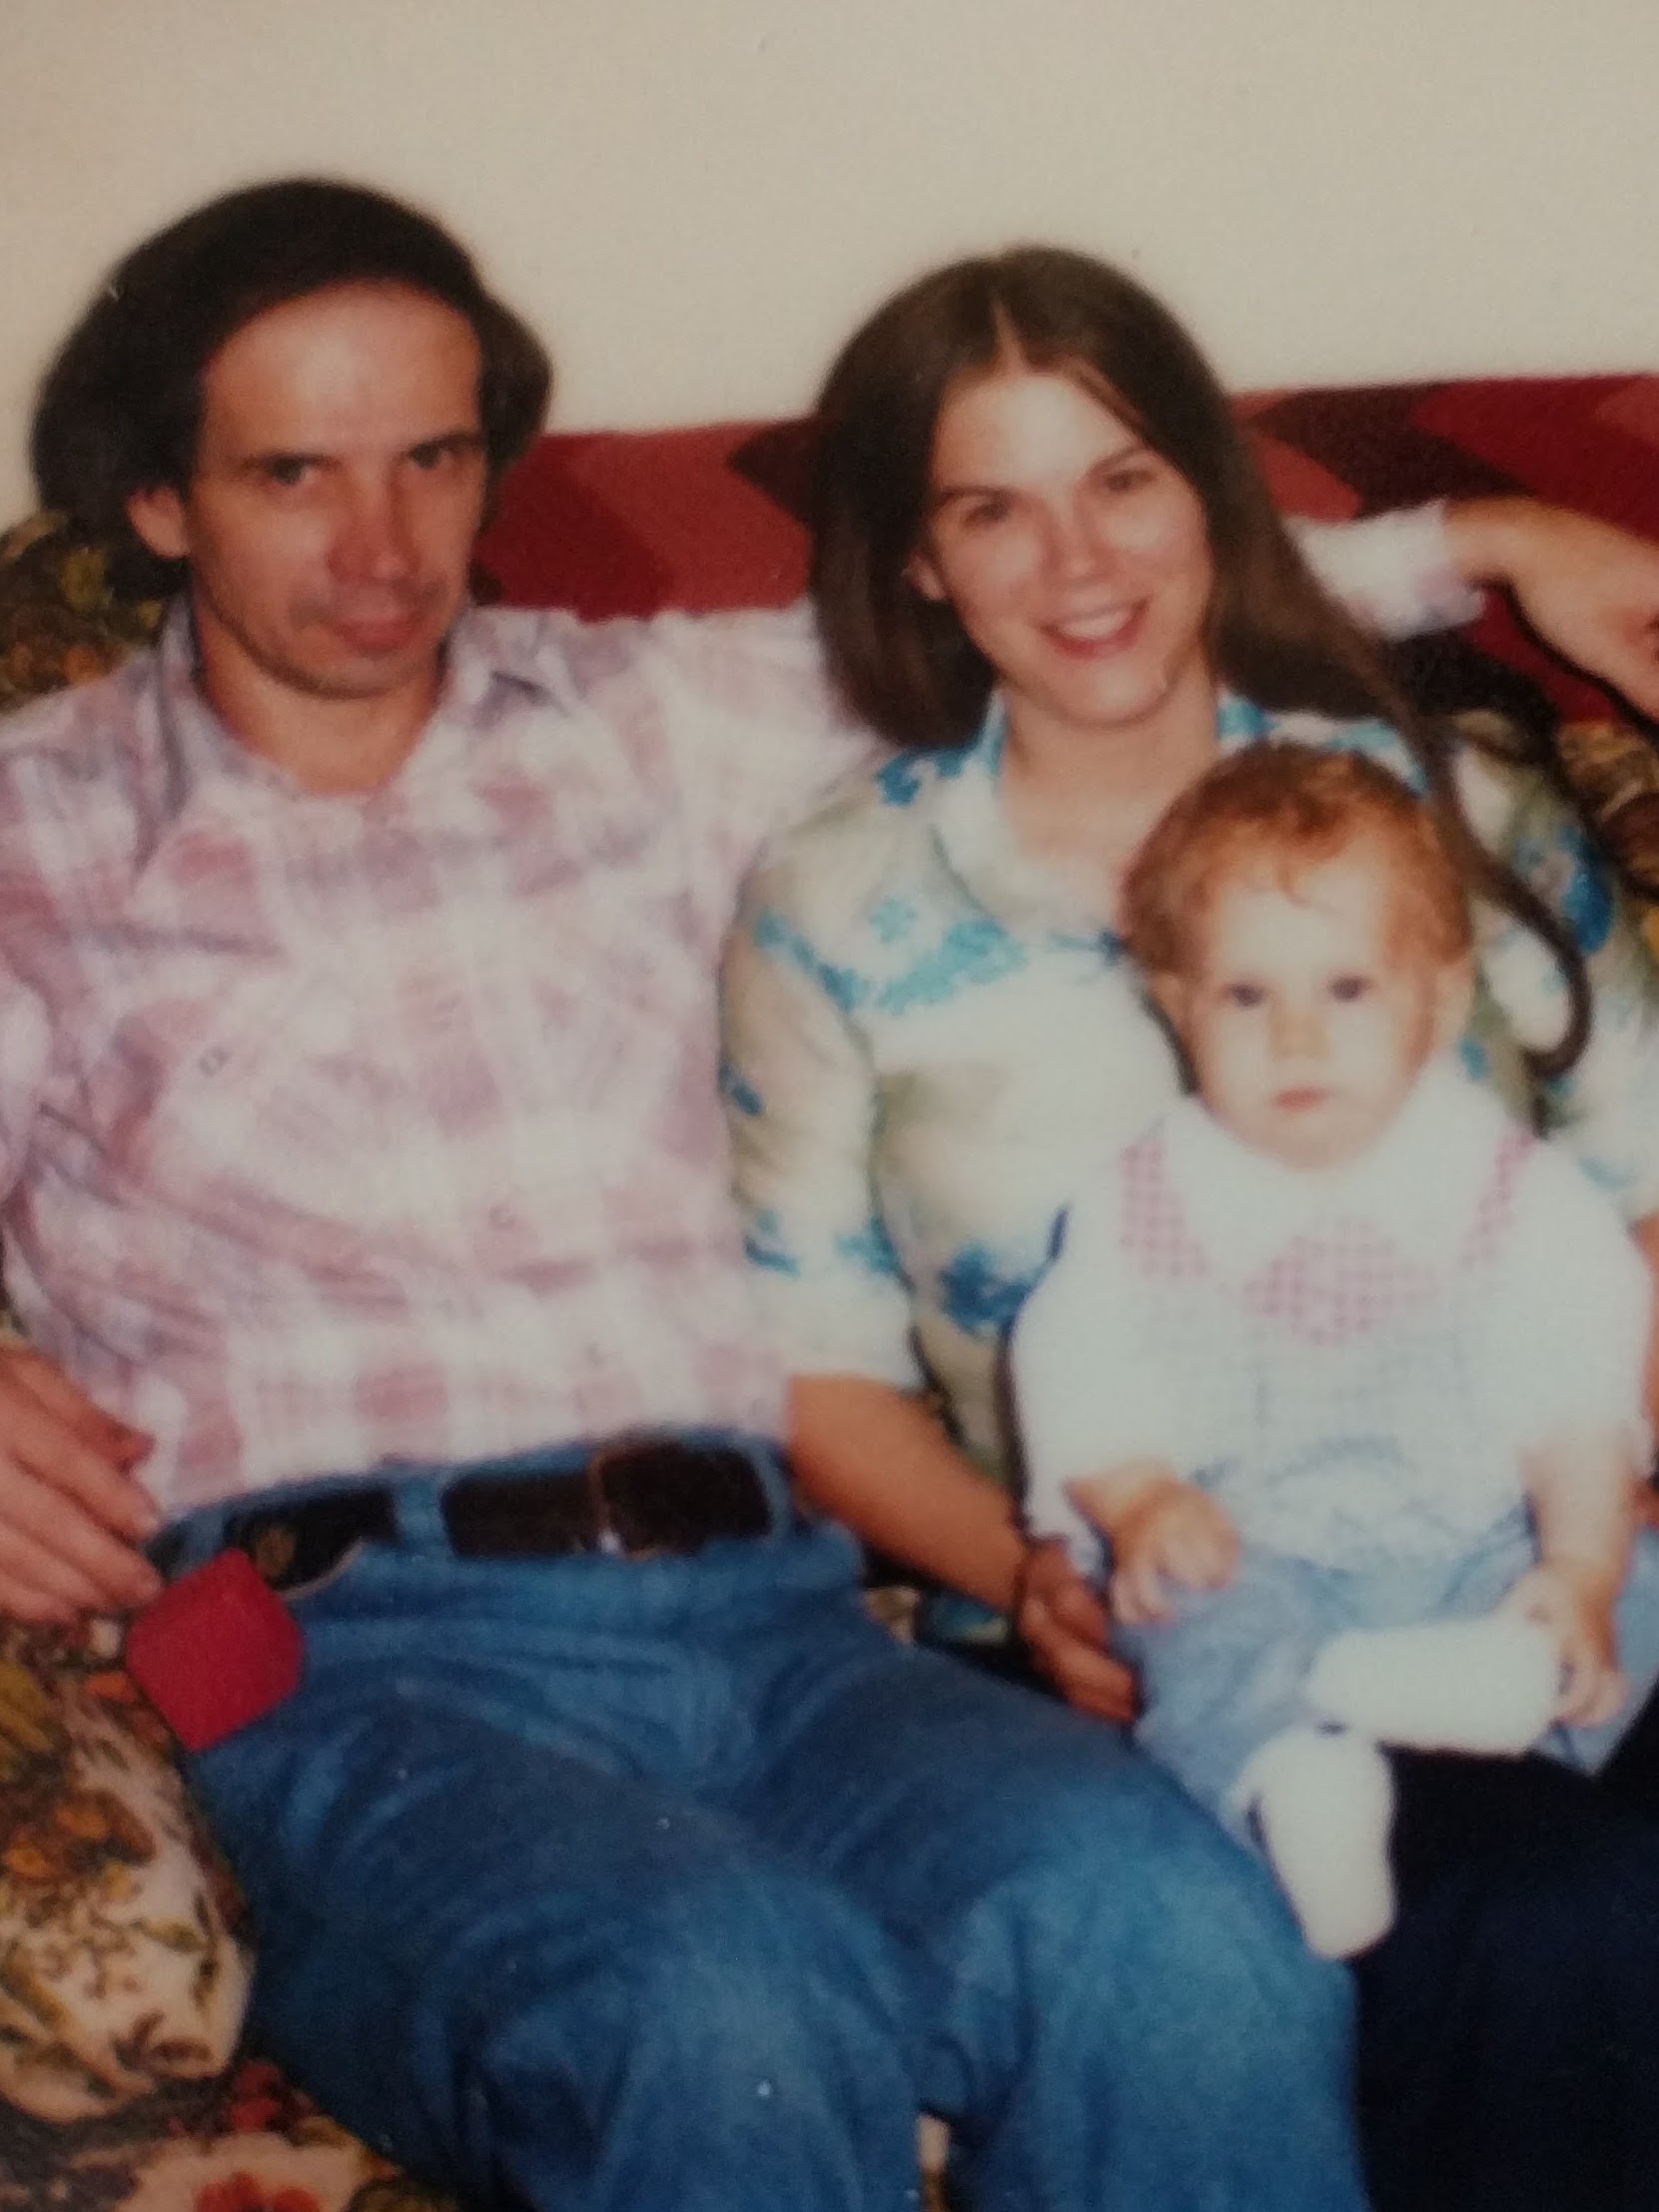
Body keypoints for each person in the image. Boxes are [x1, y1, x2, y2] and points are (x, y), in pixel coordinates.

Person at [1, 187, 1656, 2212]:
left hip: (780, 1621)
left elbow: (1088, 598)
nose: (380, 545)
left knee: (1179, 1934)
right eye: (292, 474)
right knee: (717, 1997)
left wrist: (1493, 538)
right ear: (156, 499)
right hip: (357, 1662)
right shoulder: (36, 829)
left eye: (431, 458)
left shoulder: (652, 717)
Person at [720, 245, 1659, 2211]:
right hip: (1149, 1606)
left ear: (1208, 497)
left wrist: (1599, 1504)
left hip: (1537, 1537)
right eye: (991, 507)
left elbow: (1642, 1180)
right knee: (1552, 1903)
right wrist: (1047, 1579)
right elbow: (818, 1375)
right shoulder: (837, 897)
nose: (1076, 561)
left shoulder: (1435, 799)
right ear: (919, 561)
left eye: (1123, 478)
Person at [1012, 742, 1659, 1959]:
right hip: (1255, 1552)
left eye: (1347, 988)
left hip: (1482, 1548)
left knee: (1630, 1589)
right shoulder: (1141, 1202)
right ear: (1176, 1005)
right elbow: (1077, 1365)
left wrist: (1575, 1564)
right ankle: (1296, 1769)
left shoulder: (1512, 1193)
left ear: (1441, 1001)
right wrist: (1137, 1496)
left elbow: (1579, 1404)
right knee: (1185, 1617)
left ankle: (1499, 1680)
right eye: (1244, 997)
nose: (1296, 1038)